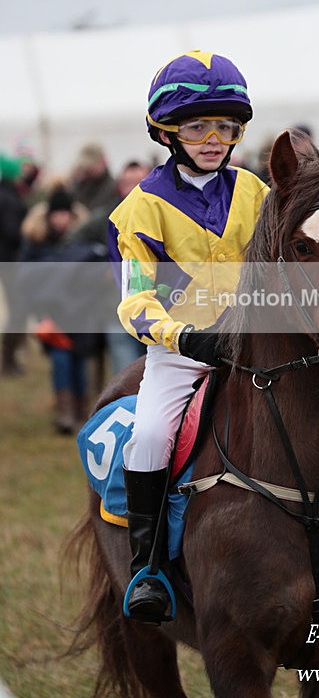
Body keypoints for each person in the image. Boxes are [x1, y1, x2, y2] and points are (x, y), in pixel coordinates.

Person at [108, 50, 268, 623]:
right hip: (180, 356)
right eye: (198, 126)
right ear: (166, 131)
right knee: (149, 435)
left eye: (225, 126)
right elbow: (134, 300)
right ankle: (148, 568)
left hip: (255, 343)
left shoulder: (255, 191)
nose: (213, 138)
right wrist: (184, 338)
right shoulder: (138, 209)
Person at [18, 186, 104, 434]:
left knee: (79, 361)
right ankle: (65, 412)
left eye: (65, 214)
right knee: (61, 360)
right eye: (57, 214)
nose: (61, 219)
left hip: (82, 314)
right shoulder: (36, 243)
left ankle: (81, 411)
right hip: (53, 315)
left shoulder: (85, 242)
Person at [0, 153, 27, 375]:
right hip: (12, 261)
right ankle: (9, 361)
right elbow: (12, 232)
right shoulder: (8, 198)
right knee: (18, 310)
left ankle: (10, 359)